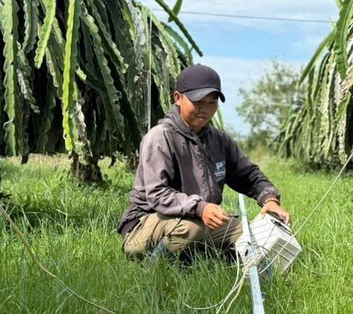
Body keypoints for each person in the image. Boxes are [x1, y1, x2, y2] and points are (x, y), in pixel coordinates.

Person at [118, 64, 291, 260]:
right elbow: (157, 194)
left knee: (251, 235)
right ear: (178, 98)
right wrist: (201, 208)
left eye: (212, 102)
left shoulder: (219, 140)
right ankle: (156, 268)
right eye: (198, 101)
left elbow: (249, 175)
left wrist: (270, 199)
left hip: (197, 220)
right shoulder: (160, 137)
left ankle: (202, 259)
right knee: (191, 229)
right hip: (144, 225)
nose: (205, 109)